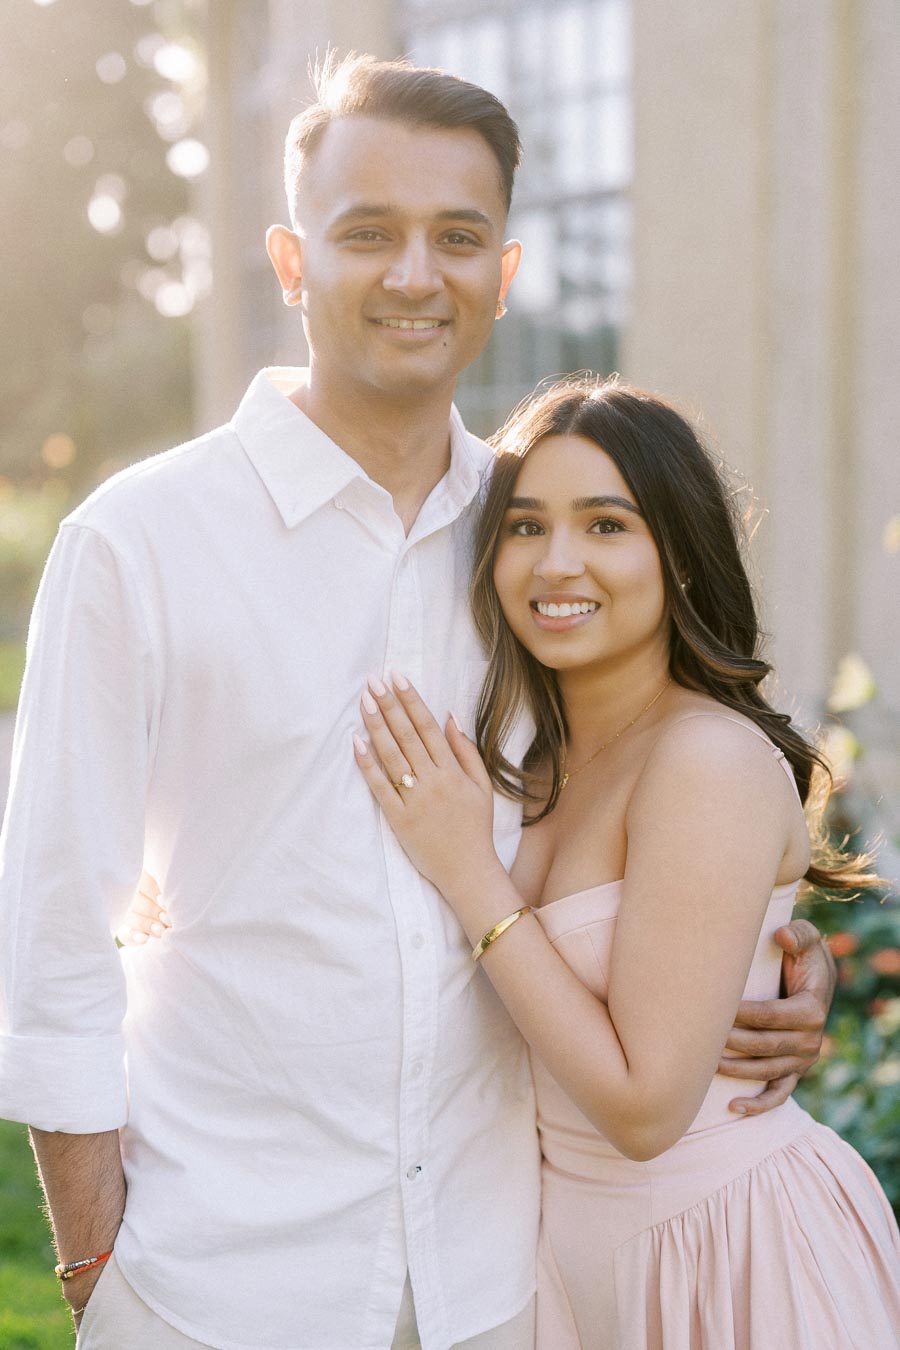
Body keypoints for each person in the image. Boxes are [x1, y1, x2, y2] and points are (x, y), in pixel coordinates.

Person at [0, 55, 834, 1350]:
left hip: (498, 1276)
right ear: (291, 262)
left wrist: (772, 944)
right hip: (222, 1283)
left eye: (457, 237)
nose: (412, 274)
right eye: (366, 232)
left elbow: (673, 780)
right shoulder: (140, 543)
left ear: (504, 275)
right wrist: (97, 1259)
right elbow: (57, 934)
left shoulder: (542, 551)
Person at [350, 375, 900, 1349]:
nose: (558, 563)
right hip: (560, 1262)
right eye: (525, 526)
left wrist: (466, 870)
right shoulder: (526, 751)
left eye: (606, 525)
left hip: (727, 1254)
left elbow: (647, 1109)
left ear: (680, 555)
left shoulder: (708, 760)